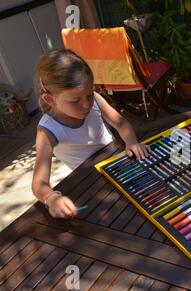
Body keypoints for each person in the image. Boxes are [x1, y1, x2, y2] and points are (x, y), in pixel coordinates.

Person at [31, 49, 148, 219]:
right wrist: (52, 198)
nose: (86, 104)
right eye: (75, 100)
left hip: (118, 161)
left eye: (89, 95)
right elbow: (38, 184)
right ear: (50, 99)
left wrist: (131, 142)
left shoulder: (96, 101)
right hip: (92, 182)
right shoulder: (48, 130)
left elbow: (121, 124)